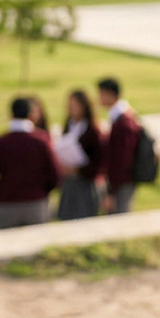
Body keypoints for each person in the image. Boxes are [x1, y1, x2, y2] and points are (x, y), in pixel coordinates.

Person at [0, 96, 60, 228]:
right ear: (31, 116)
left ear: (11, 116)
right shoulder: (41, 142)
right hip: (36, 204)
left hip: (7, 205)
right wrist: (41, 191)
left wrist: (2, 190)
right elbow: (55, 174)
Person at [97, 77, 144, 214]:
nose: (99, 98)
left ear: (110, 94)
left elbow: (121, 160)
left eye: (101, 94)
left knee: (119, 218)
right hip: (121, 182)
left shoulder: (123, 122)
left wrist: (111, 191)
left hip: (122, 183)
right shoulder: (121, 117)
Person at [57, 89, 105, 220]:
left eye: (75, 105)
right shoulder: (69, 126)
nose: (71, 109)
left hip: (86, 183)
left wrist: (79, 169)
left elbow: (99, 161)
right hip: (69, 182)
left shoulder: (93, 131)